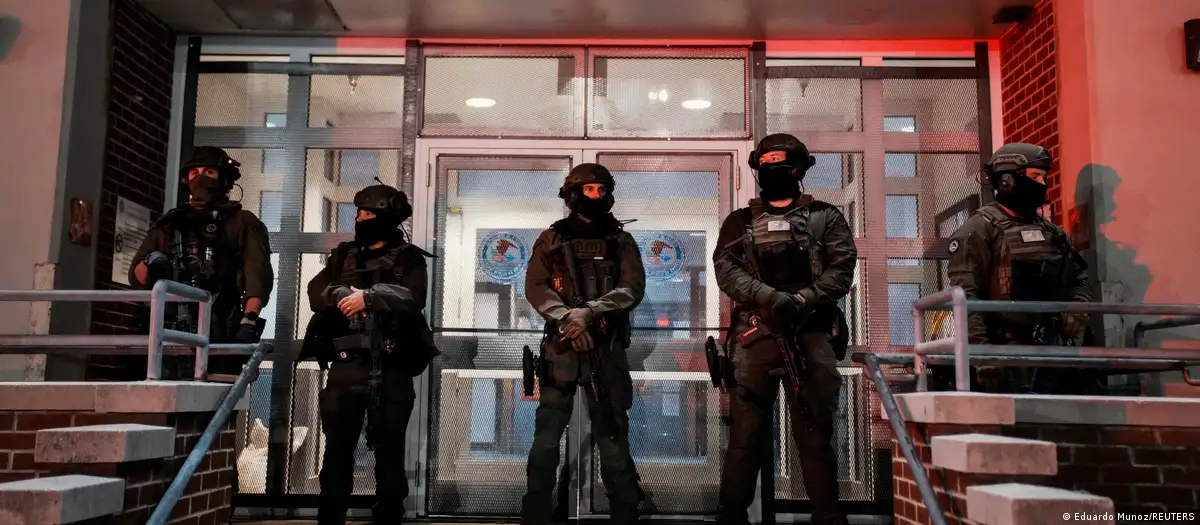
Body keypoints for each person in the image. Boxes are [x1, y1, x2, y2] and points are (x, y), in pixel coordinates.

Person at [712, 134, 855, 525]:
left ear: (799, 168)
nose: (774, 168)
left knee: (815, 436)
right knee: (745, 437)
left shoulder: (825, 217)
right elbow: (726, 271)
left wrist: (803, 300)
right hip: (755, 337)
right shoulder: (739, 222)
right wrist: (770, 297)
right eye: (767, 162)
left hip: (810, 334)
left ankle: (828, 517)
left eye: (781, 161)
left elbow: (842, 270)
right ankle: (731, 516)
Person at [300, 183, 438, 524]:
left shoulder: (408, 257)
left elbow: (414, 297)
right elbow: (316, 291)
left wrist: (369, 297)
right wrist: (339, 294)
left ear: (387, 218)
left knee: (389, 455)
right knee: (337, 453)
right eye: (359, 213)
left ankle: (388, 519)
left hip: (391, 368)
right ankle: (330, 519)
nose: (361, 219)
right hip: (346, 368)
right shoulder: (343, 255)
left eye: (368, 214)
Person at [521, 163, 646, 524]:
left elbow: (632, 288)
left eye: (601, 190)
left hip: (605, 350)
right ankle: (535, 515)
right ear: (573, 194)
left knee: (612, 436)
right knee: (546, 439)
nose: (597, 195)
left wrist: (589, 312)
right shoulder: (551, 239)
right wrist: (568, 319)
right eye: (589, 190)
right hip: (562, 350)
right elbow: (536, 286)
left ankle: (624, 515)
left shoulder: (621, 241)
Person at [939, 143, 1098, 394]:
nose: (1042, 184)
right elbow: (966, 299)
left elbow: (1079, 278)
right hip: (1004, 355)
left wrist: (1077, 310)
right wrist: (983, 357)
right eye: (1035, 176)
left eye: (1043, 177)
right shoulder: (979, 230)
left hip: (1053, 355)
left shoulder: (1052, 232)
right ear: (1006, 180)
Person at [129, 146, 273, 381]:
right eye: (194, 173)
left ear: (224, 179)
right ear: (186, 180)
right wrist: (152, 262)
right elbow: (136, 277)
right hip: (169, 330)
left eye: (209, 172)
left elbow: (258, 277)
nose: (200, 178)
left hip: (220, 326)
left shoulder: (242, 222)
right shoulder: (170, 224)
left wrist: (248, 322)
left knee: (214, 398)